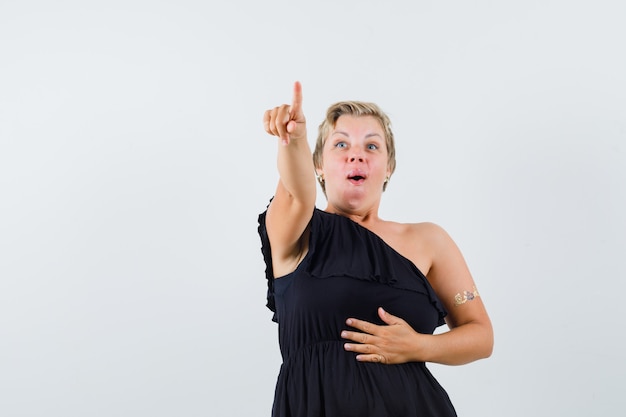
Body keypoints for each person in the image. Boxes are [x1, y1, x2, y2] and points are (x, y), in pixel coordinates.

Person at [258, 81, 493, 417]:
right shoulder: (296, 230)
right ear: (319, 166)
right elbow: (297, 191)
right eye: (341, 144)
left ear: (389, 167)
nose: (357, 154)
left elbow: (480, 335)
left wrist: (418, 346)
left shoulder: (429, 241)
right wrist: (294, 140)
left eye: (372, 146)